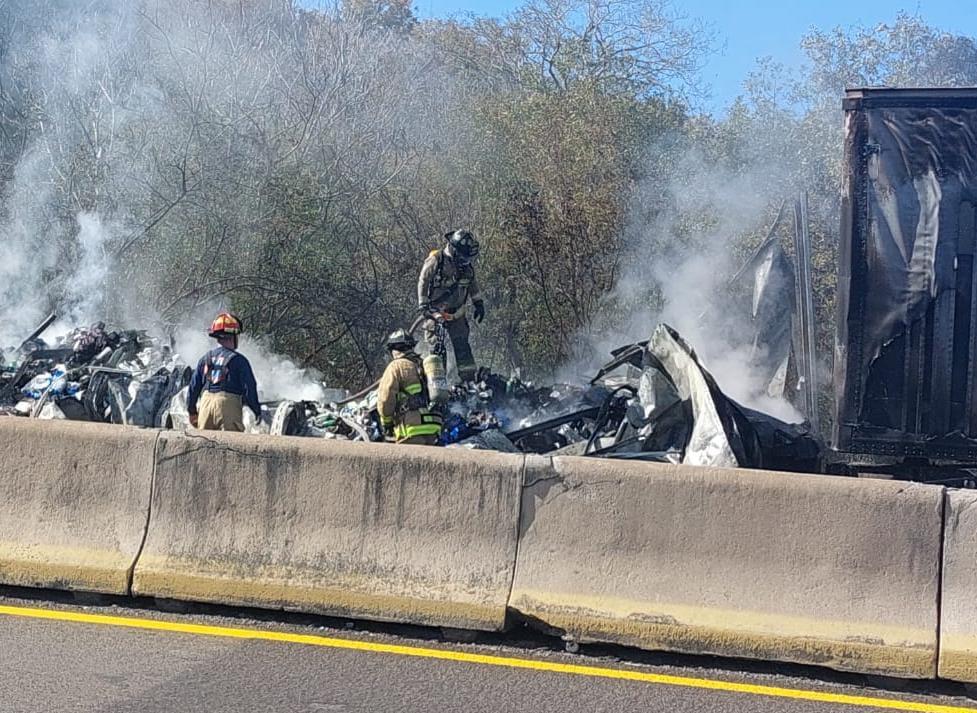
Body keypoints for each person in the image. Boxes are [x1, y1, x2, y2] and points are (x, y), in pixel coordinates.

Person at [417, 229, 485, 382]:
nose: (466, 260)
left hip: (456, 314)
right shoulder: (437, 260)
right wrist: (423, 303)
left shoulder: (466, 267)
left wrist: (478, 303)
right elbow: (423, 279)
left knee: (462, 346)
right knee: (437, 348)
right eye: (463, 256)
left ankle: (469, 382)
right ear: (454, 250)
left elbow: (472, 284)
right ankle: (438, 384)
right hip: (435, 314)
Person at [187, 312, 261, 432]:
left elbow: (193, 387)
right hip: (228, 407)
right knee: (230, 447)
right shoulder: (239, 360)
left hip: (205, 405)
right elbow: (249, 388)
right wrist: (256, 410)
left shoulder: (205, 359)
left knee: (204, 446)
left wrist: (192, 412)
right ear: (233, 336)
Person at [376, 329, 442, 445]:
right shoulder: (424, 364)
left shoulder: (396, 366)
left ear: (394, 349)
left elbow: (386, 398)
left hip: (412, 427)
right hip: (433, 426)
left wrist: (387, 422)